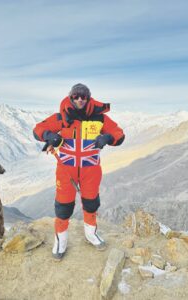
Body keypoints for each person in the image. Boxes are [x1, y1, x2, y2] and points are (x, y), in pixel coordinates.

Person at [33, 83, 125, 260]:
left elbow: (119, 134)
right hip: (66, 170)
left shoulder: (99, 118)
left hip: (91, 169)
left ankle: (91, 234)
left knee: (91, 203)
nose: (80, 99)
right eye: (76, 96)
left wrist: (107, 137)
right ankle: (61, 241)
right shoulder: (62, 117)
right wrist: (48, 136)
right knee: (63, 206)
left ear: (88, 97)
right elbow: (38, 128)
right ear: (70, 97)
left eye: (83, 96)